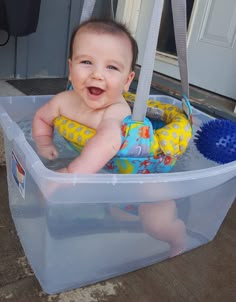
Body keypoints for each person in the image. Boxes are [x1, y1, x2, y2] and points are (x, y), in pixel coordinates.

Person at [32, 18, 186, 257]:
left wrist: (71, 175)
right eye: (86, 62)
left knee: (157, 224)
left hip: (144, 183)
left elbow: (108, 141)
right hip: (111, 179)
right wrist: (44, 142)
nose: (97, 75)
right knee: (117, 213)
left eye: (111, 67)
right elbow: (42, 117)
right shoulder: (63, 101)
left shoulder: (115, 111)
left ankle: (179, 239)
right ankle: (121, 222)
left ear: (127, 81)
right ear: (70, 68)